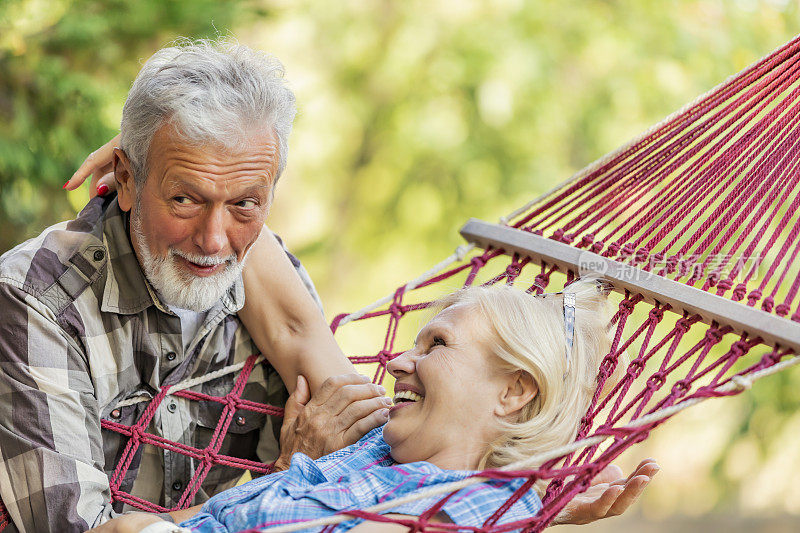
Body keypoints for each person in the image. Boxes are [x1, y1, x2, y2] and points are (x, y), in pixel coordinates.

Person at [0, 39, 389, 533]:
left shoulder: (269, 282)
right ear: (126, 178)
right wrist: (289, 483)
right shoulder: (39, 302)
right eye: (185, 199)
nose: (213, 240)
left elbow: (354, 450)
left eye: (246, 205)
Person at [90, 280, 658, 533]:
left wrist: (535, 503)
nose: (396, 363)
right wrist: (148, 155)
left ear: (512, 391)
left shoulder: (474, 508)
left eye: (436, 345)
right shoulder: (371, 441)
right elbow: (292, 321)